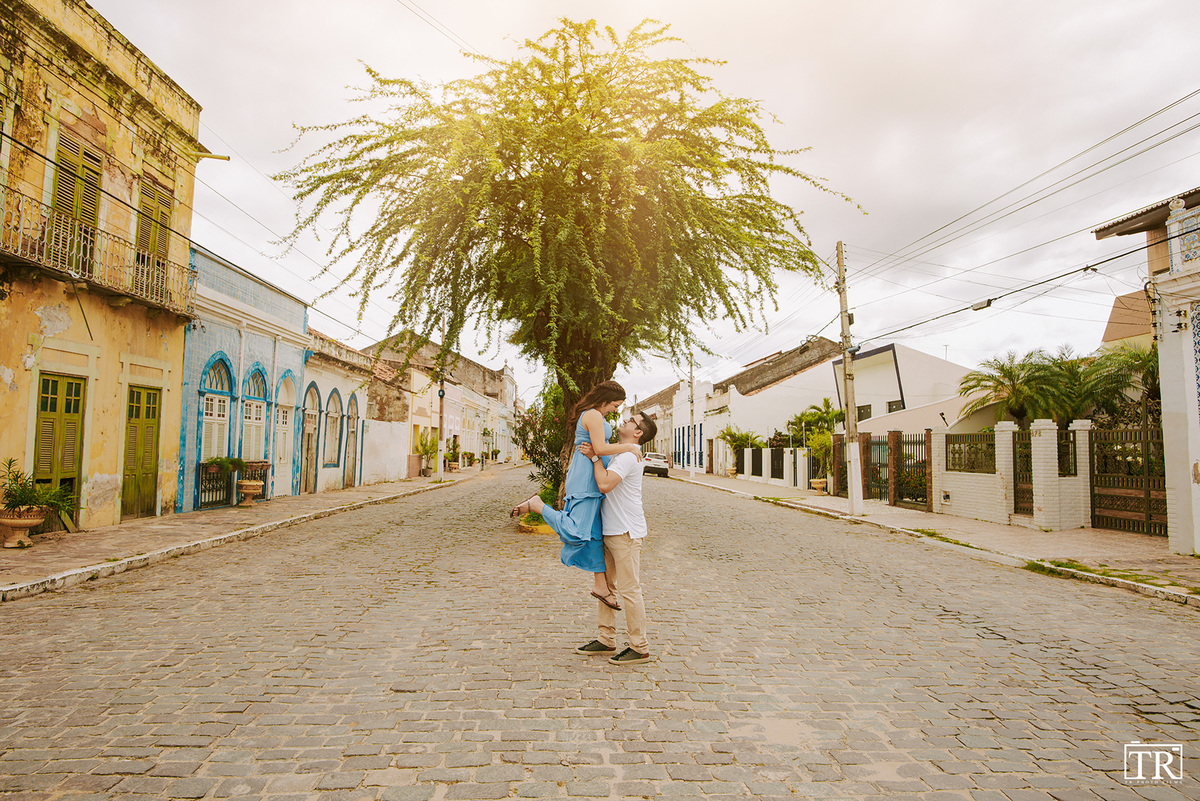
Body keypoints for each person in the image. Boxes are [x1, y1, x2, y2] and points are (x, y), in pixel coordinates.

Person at [511, 381, 642, 610]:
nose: (616, 410)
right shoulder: (591, 414)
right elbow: (600, 449)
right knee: (577, 531)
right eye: (615, 404)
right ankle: (537, 505)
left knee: (594, 536)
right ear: (605, 399)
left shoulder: (597, 416)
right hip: (584, 477)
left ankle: (601, 586)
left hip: (594, 474)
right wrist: (630, 447)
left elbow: (600, 448)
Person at [573, 410, 657, 665]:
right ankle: (606, 639)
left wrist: (595, 457)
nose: (625, 420)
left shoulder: (629, 456)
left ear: (638, 432)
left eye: (632, 421)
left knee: (630, 590)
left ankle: (639, 646)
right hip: (611, 529)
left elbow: (605, 484)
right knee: (607, 590)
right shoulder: (622, 452)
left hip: (625, 532)